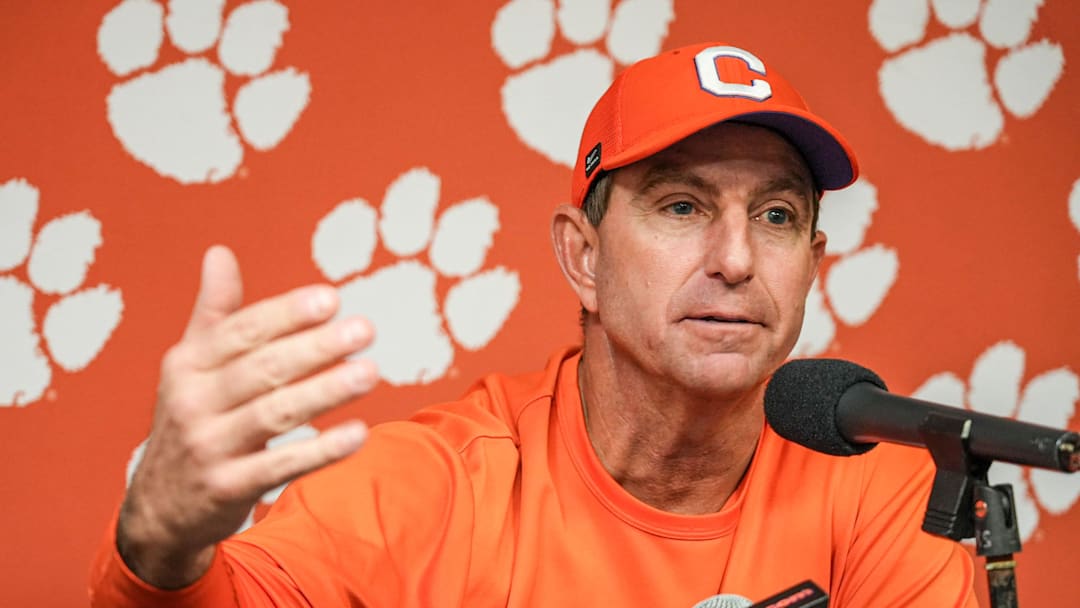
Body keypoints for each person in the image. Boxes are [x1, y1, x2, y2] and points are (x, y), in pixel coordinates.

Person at [89, 42, 977, 607]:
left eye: (777, 217)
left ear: (815, 261)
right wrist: (158, 542)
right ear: (582, 257)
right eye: (680, 205)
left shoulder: (887, 490)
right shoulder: (432, 488)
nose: (737, 259)